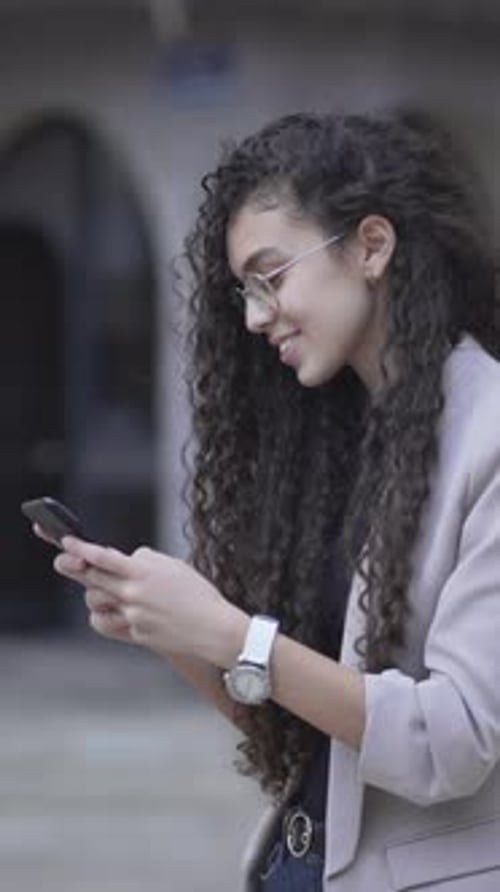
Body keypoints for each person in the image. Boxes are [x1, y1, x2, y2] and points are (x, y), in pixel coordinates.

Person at [43, 108, 500, 891]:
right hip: (299, 863)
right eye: (244, 291)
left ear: (372, 246)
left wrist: (233, 635)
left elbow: (451, 740)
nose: (255, 316)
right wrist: (179, 636)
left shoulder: (487, 433)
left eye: (272, 276)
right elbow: (309, 736)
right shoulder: (344, 442)